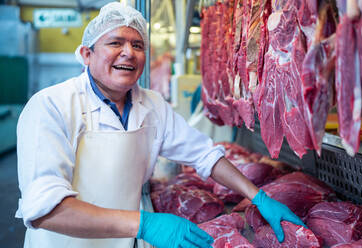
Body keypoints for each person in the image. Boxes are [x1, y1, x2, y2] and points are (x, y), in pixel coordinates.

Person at [16, 2, 305, 248]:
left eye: (137, 45)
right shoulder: (51, 105)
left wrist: (259, 197)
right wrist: (145, 224)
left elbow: (204, 155)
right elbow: (45, 210)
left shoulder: (151, 105)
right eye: (115, 42)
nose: (128, 52)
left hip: (122, 242)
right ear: (86, 54)